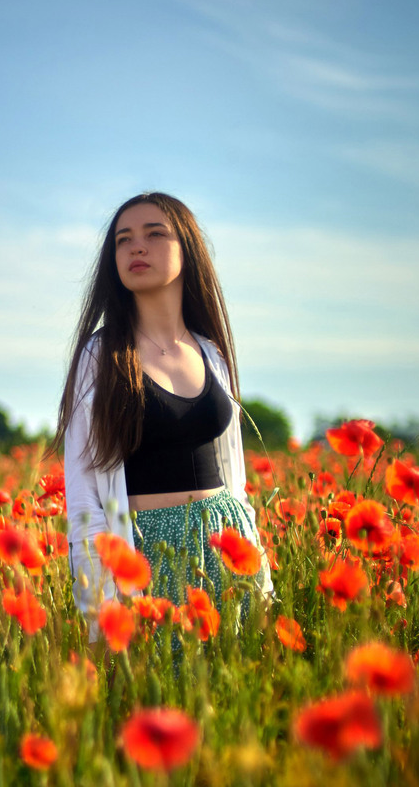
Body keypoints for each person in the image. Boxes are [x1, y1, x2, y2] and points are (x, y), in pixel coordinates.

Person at [52, 192, 273, 641]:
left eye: (155, 234)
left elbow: (237, 483)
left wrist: (261, 576)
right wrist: (101, 612)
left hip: (227, 543)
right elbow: (84, 499)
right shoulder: (100, 356)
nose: (137, 247)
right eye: (123, 240)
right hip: (145, 553)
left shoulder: (211, 353)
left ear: (187, 249)